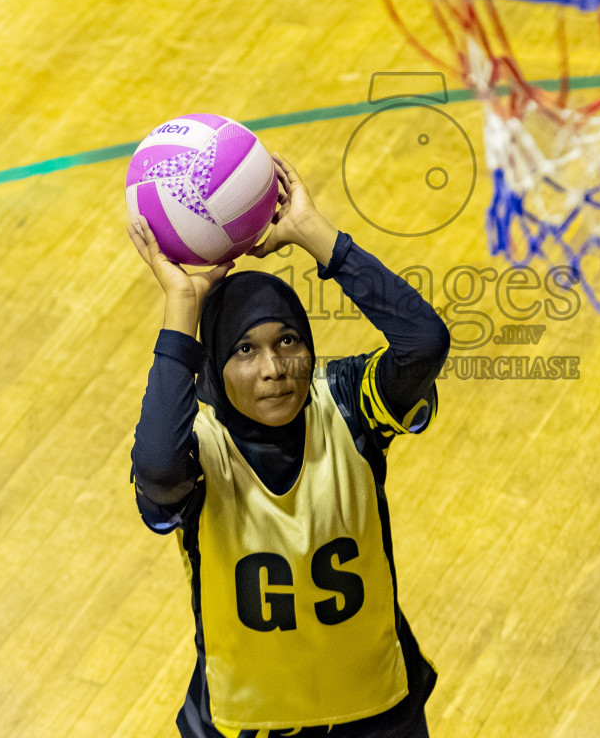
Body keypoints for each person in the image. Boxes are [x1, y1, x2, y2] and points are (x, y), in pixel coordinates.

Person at [129, 153, 451, 738]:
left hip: (377, 711)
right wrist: (183, 306)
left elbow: (423, 342)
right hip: (248, 722)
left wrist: (313, 234)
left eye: (288, 341)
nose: (275, 368)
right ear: (213, 369)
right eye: (245, 351)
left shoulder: (348, 404)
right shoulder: (200, 449)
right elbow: (154, 468)